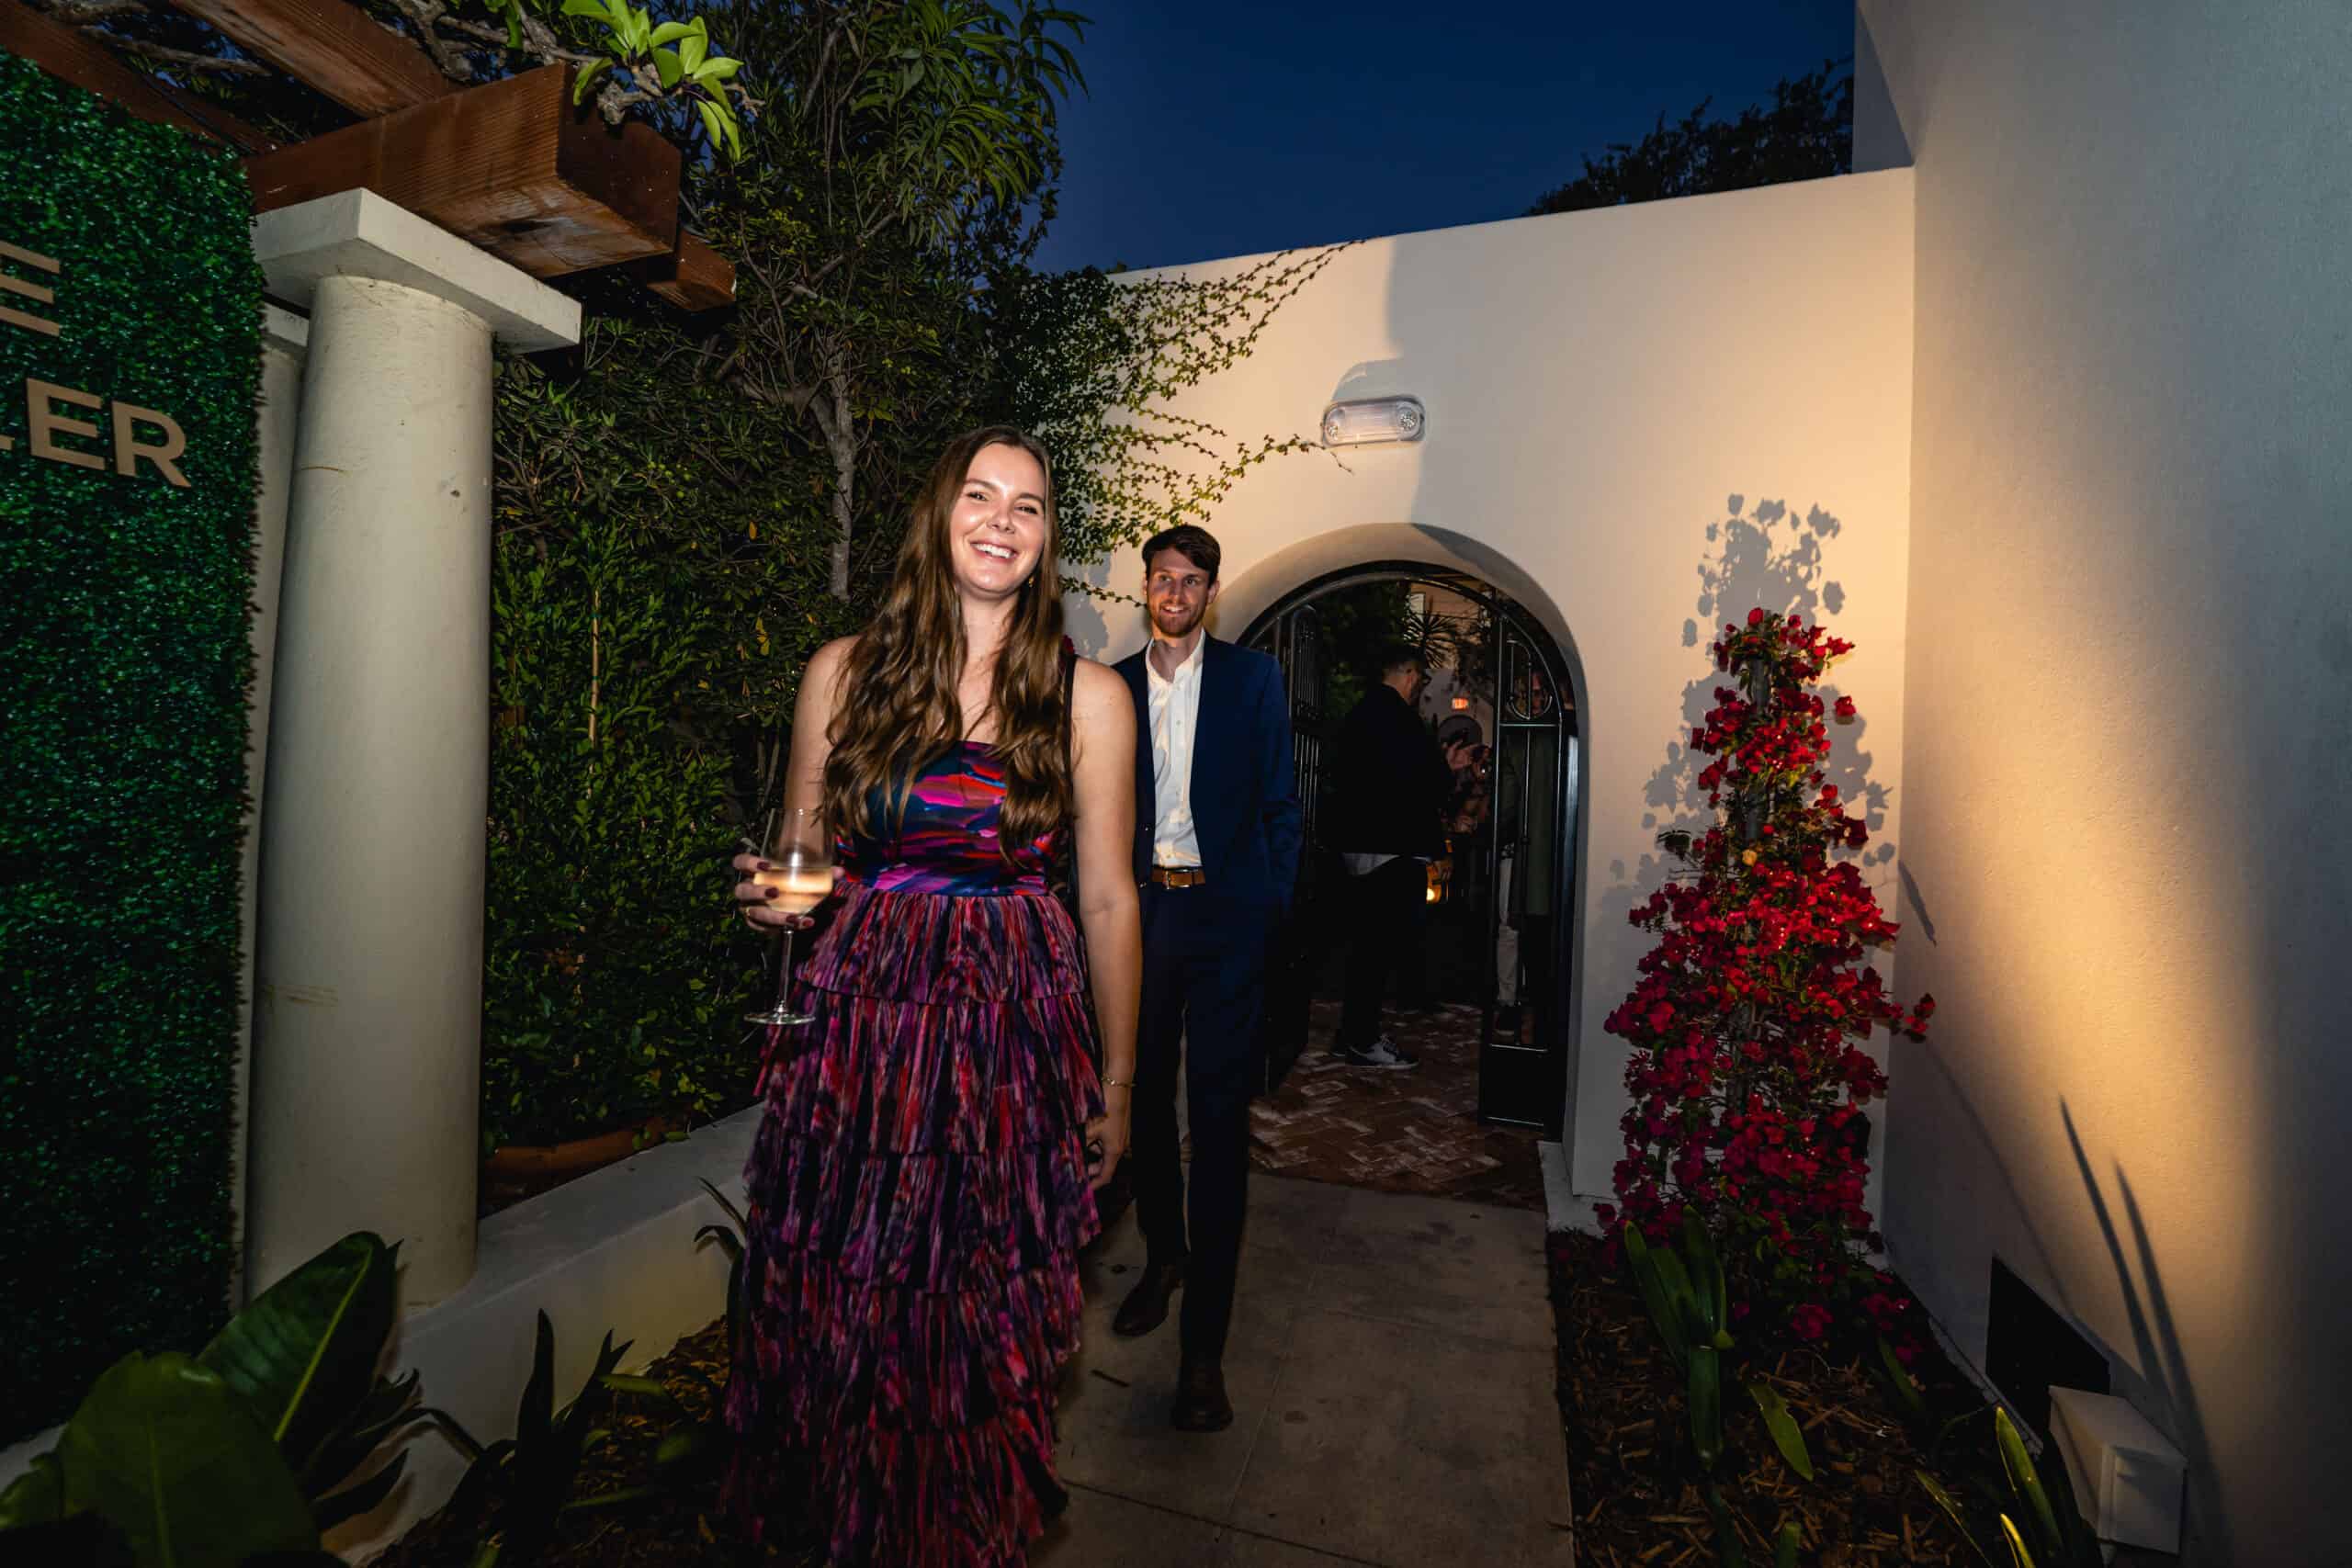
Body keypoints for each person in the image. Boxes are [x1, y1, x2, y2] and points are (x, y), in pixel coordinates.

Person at [727, 426, 1141, 1568]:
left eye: (1029, 506)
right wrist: (776, 901)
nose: (1003, 520)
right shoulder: (842, 671)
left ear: (1048, 540)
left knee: (966, 1316)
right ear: (937, 515)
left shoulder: (1088, 694)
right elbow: (802, 853)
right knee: (845, 1297)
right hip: (861, 1032)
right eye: (981, 495)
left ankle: (949, 1537)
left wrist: (1118, 1078)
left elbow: (1107, 899)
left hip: (1008, 1037)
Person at [1107, 525, 1300, 1433]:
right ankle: (1161, 1257)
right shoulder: (1107, 688)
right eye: (1160, 578)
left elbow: (1279, 806)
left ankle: (1203, 1354)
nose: (1173, 592)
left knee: (1218, 1123)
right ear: (1146, 589)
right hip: (1142, 919)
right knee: (1141, 1099)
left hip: (1226, 920)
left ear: (1210, 591)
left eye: (1188, 580)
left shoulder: (1252, 680)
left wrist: (1268, 911)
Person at [1326, 644, 1467, 1069]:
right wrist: (1450, 767)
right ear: (1408, 674)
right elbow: (1422, 784)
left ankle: (1352, 1033)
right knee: (1378, 950)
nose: (1419, 689)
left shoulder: (1358, 715)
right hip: (1393, 850)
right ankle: (1362, 1039)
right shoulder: (1401, 721)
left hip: (1359, 846)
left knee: (1364, 948)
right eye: (1420, 681)